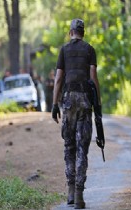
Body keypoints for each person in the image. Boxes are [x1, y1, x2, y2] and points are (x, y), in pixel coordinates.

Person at [52, 18, 101, 209]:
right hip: (85, 102)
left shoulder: (64, 50)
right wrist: (98, 104)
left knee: (69, 146)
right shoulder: (90, 50)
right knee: (82, 147)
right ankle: (80, 194)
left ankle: (70, 191)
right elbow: (93, 78)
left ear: (70, 32)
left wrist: (55, 105)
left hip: (68, 101)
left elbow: (58, 79)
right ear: (83, 32)